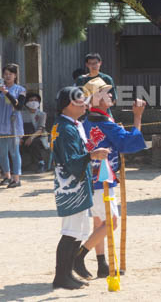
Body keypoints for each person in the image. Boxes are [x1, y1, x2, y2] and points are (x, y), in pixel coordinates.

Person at [74, 77, 147, 280]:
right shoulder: (104, 122)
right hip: (102, 178)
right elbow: (128, 143)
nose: (111, 95)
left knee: (100, 221)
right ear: (96, 99)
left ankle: (101, 263)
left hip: (91, 176)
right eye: (106, 92)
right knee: (111, 222)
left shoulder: (89, 120)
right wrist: (138, 117)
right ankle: (80, 255)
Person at [51, 86, 110, 290]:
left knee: (79, 230)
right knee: (71, 231)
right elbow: (71, 161)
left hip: (74, 184)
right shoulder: (67, 128)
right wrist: (92, 156)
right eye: (80, 100)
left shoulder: (69, 125)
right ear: (68, 104)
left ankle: (67, 273)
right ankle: (61, 276)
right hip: (71, 186)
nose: (85, 104)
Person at [0, 63, 26, 188]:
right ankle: (7, 176)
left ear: (15, 75)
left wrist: (6, 93)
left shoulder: (20, 89)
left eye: (10, 74)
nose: (7, 76)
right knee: (2, 152)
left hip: (13, 123)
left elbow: (19, 106)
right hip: (0, 123)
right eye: (5, 74)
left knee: (14, 151)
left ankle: (16, 178)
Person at [21, 92, 49, 172]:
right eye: (31, 100)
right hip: (24, 136)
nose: (33, 102)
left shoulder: (42, 114)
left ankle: (41, 162)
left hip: (38, 137)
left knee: (35, 143)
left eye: (36, 100)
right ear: (26, 103)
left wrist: (31, 138)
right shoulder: (22, 114)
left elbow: (40, 129)